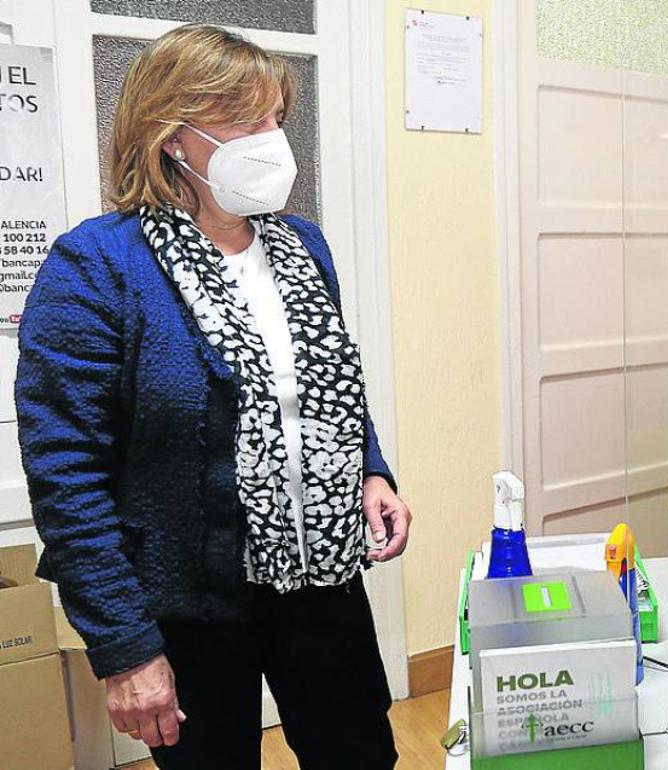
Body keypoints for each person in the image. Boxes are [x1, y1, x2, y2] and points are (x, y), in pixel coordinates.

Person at [15, 25, 409, 769]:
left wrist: (370, 471)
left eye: (275, 118)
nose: (271, 140)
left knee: (360, 754)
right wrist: (125, 648)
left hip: (322, 575)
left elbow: (324, 389)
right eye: (244, 119)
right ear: (172, 137)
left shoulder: (302, 247)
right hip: (188, 602)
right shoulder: (96, 265)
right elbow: (66, 478)